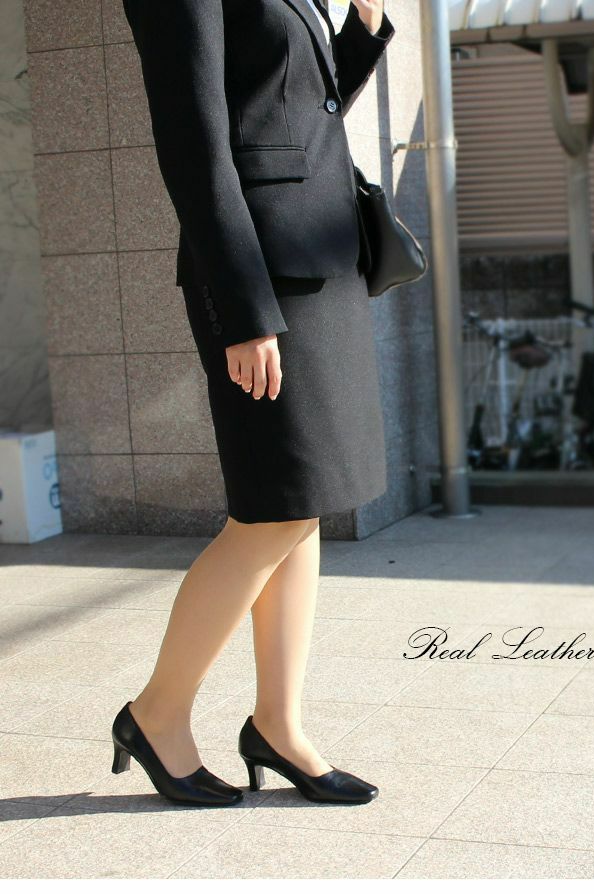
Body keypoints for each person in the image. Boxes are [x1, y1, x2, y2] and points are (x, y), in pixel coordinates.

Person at [111, 0, 395, 806]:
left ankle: (278, 724)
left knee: (300, 504)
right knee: (270, 511)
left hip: (321, 256)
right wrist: (242, 309)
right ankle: (155, 714)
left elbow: (300, 109)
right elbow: (193, 139)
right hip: (260, 276)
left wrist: (361, 28)